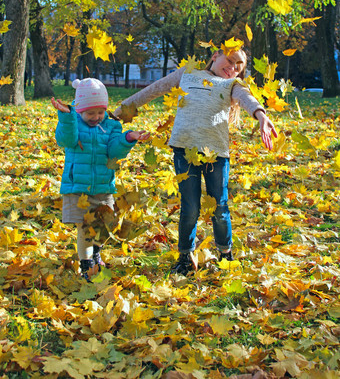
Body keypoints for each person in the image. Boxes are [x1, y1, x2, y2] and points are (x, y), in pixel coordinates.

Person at [114, 47, 277, 275]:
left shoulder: (232, 85)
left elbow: (248, 99)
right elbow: (153, 89)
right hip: (184, 149)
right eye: (229, 60)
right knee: (190, 207)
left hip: (216, 155)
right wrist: (120, 111)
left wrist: (261, 115)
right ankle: (185, 256)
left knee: (219, 206)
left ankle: (225, 254)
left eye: (238, 67)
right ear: (214, 56)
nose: (232, 68)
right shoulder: (188, 73)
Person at [52, 78, 149, 281]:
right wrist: (67, 117)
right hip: (78, 187)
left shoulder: (111, 126)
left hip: (104, 186)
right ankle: (86, 265)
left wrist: (127, 138)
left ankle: (95, 253)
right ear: (79, 110)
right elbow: (65, 140)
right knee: (85, 228)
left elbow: (114, 151)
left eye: (100, 112)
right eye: (90, 113)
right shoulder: (73, 123)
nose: (96, 117)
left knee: (104, 226)